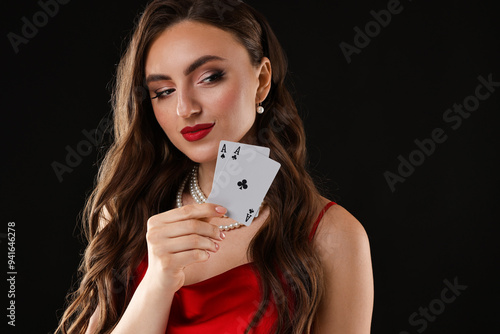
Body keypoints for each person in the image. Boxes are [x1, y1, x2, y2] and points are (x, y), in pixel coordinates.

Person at [56, 0, 373, 333]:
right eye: (163, 91)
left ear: (262, 80)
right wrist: (158, 281)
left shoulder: (331, 235)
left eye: (209, 78)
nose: (185, 108)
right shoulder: (123, 214)